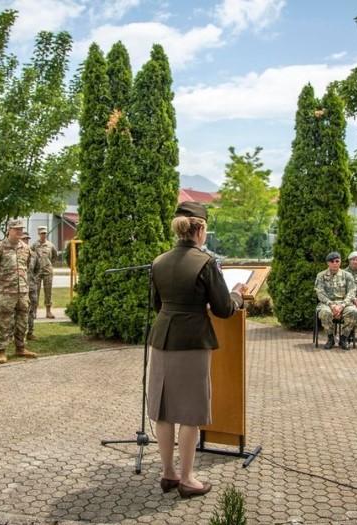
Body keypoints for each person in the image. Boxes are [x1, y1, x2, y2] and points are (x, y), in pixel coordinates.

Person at [148, 201, 245, 499]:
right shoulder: (206, 262)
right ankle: (188, 480)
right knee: (190, 411)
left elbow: (158, 304)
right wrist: (237, 295)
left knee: (164, 411)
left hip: (162, 338)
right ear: (200, 229)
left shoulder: (159, 261)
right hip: (192, 341)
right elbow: (223, 308)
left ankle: (168, 474)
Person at [0, 220, 37, 363]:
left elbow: (27, 267)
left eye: (21, 229)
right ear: (8, 230)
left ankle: (20, 348)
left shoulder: (26, 248)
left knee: (22, 321)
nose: (19, 232)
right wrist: (2, 285)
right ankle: (1, 351)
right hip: (6, 292)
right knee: (4, 321)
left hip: (22, 291)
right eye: (16, 229)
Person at [315, 252, 357, 350]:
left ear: (340, 262)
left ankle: (344, 338)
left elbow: (351, 292)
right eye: (332, 261)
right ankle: (330, 338)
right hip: (327, 304)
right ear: (328, 263)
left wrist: (342, 305)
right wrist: (331, 305)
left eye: (337, 261)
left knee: (353, 311)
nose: (335, 263)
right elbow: (320, 293)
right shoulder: (321, 276)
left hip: (344, 303)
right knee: (325, 312)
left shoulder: (347, 275)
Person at [31, 226, 58, 319]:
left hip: (47, 271)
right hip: (37, 272)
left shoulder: (50, 245)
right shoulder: (34, 245)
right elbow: (31, 256)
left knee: (48, 291)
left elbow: (55, 256)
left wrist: (49, 264)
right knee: (35, 292)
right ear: (38, 234)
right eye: (42, 233)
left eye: (45, 233)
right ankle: (34, 312)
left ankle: (48, 312)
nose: (43, 235)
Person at [23, 231, 41, 341]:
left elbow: (38, 269)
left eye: (27, 239)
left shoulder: (34, 254)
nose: (26, 241)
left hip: (31, 287)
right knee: (19, 310)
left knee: (32, 309)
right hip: (19, 288)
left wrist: (33, 279)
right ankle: (16, 334)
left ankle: (30, 331)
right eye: (24, 239)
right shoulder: (15, 254)